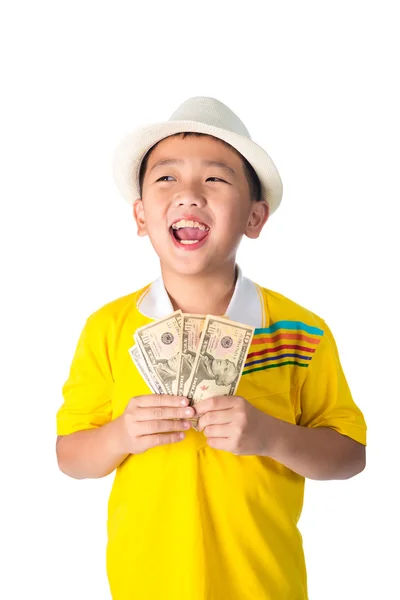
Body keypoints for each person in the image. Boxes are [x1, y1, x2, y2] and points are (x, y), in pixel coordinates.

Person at [56, 97, 367, 600]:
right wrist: (120, 435)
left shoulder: (301, 332)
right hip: (145, 586)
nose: (188, 196)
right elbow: (70, 455)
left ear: (255, 216)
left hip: (265, 585)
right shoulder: (108, 329)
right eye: (166, 179)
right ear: (140, 215)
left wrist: (271, 436)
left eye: (216, 180)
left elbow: (351, 455)